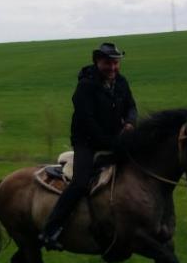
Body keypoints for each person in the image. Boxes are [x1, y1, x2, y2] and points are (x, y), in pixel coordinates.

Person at [38, 42, 138, 250]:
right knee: (81, 182)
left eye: (115, 63)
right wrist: (112, 143)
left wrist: (129, 122)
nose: (112, 67)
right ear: (97, 62)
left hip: (116, 139)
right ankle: (50, 231)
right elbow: (87, 121)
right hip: (87, 142)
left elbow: (131, 106)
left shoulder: (121, 81)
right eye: (107, 63)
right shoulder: (86, 86)